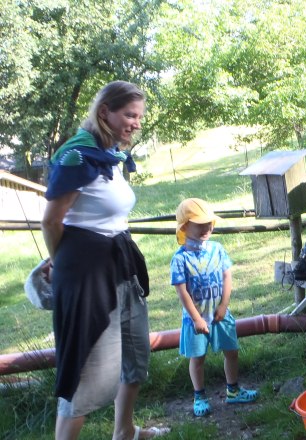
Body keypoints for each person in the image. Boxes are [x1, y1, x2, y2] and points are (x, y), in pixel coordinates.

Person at [41, 81, 169, 440]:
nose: (137, 123)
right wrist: (62, 263)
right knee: (89, 372)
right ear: (104, 113)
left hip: (121, 267)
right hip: (88, 278)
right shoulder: (78, 156)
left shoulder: (110, 154)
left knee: (135, 357)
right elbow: (52, 221)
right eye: (130, 115)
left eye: (139, 116)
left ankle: (125, 432)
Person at [170, 198, 258, 417]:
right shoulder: (180, 259)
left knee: (232, 351)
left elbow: (227, 275)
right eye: (200, 224)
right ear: (184, 227)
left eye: (209, 223)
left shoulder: (217, 249)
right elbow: (182, 292)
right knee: (198, 358)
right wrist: (197, 319)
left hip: (220, 314)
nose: (207, 228)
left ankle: (233, 390)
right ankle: (199, 396)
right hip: (195, 320)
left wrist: (223, 306)